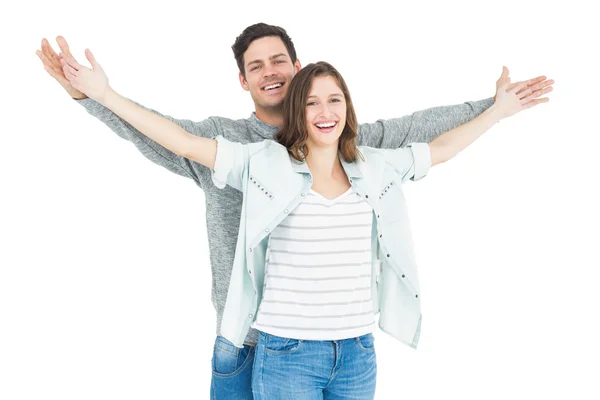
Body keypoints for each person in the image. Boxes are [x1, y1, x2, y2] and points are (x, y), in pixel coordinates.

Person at [37, 23, 553, 399]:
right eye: (255, 66)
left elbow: (425, 134)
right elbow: (166, 134)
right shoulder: (239, 148)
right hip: (249, 338)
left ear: (299, 68)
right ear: (243, 80)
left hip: (346, 347)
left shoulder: (359, 150)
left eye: (278, 60)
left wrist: (492, 108)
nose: (270, 72)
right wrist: (96, 97)